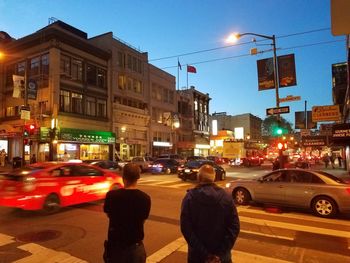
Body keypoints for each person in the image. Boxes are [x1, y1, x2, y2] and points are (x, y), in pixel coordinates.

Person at [180, 164, 240, 263]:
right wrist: (219, 254)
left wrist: (205, 254)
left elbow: (186, 228)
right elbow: (234, 227)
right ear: (214, 178)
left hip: (197, 257)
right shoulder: (226, 197)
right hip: (222, 258)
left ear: (199, 177)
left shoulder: (189, 198)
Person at [103, 163, 151, 263]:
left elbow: (109, 215)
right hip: (135, 246)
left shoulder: (111, 196)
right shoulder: (145, 198)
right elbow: (143, 220)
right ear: (138, 177)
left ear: (123, 177)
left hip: (115, 247)